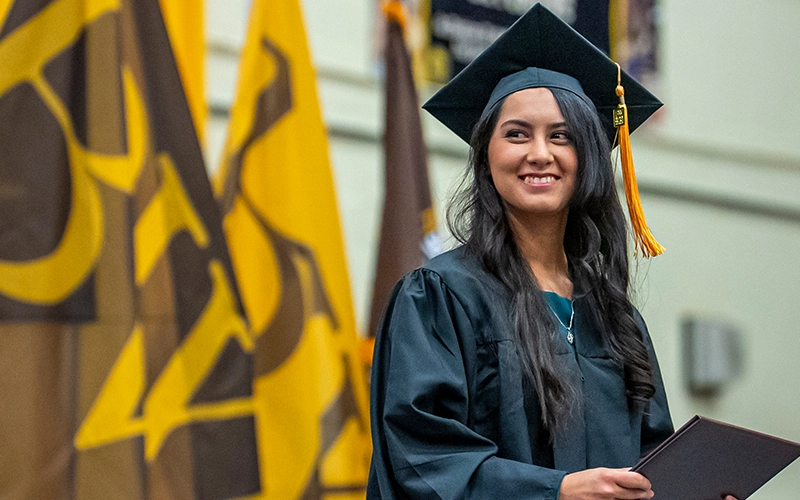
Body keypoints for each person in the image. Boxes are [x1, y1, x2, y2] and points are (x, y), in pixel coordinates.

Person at [367, 4, 742, 499]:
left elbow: (651, 467)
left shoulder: (615, 318)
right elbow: (422, 460)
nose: (539, 153)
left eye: (561, 136)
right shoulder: (440, 297)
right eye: (517, 134)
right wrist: (555, 492)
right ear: (487, 155)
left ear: (587, 156)